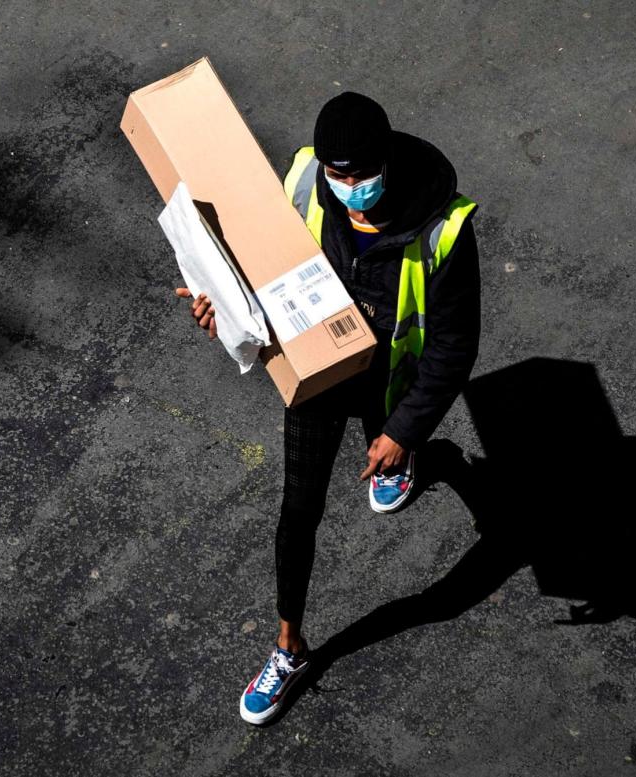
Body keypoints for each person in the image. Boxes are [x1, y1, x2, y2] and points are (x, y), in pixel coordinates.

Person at [174, 92, 481, 724]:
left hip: (390, 378)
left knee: (386, 444)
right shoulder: (303, 182)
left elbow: (453, 345)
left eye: (359, 176)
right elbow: (252, 266)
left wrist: (403, 429)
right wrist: (217, 306)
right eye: (337, 177)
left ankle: (404, 457)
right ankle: (290, 646)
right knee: (299, 506)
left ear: (388, 161)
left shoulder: (445, 228)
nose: (347, 189)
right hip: (320, 374)